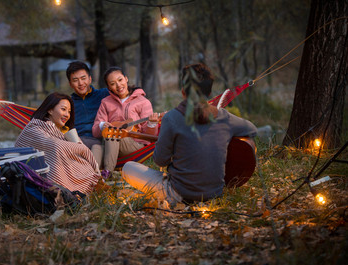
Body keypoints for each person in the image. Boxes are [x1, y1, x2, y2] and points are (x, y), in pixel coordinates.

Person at [121, 63, 257, 205]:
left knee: (128, 167)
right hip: (215, 194)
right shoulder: (225, 117)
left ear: (183, 92)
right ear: (209, 93)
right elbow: (252, 129)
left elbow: (160, 160)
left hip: (178, 194)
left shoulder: (172, 118)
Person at [15, 92, 101, 195]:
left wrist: (76, 142)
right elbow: (56, 146)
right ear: (50, 110)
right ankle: (74, 189)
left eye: (69, 111)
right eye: (63, 109)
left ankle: (89, 187)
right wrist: (82, 148)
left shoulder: (61, 131)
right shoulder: (34, 128)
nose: (67, 115)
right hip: (29, 180)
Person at [92, 66, 159, 174]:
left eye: (120, 80)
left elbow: (150, 136)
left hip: (136, 147)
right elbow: (95, 131)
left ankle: (107, 173)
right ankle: (93, 178)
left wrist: (152, 124)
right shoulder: (105, 102)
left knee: (114, 133)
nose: (118, 85)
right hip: (112, 147)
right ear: (108, 87)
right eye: (113, 83)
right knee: (96, 147)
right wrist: (102, 126)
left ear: (126, 79)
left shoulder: (142, 101)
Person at [66, 61, 109, 168]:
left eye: (83, 78)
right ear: (70, 84)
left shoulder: (104, 94)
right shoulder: (67, 104)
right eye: (75, 80)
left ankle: (91, 178)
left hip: (100, 142)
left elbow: (124, 93)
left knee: (96, 148)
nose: (80, 83)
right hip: (77, 143)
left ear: (90, 79)